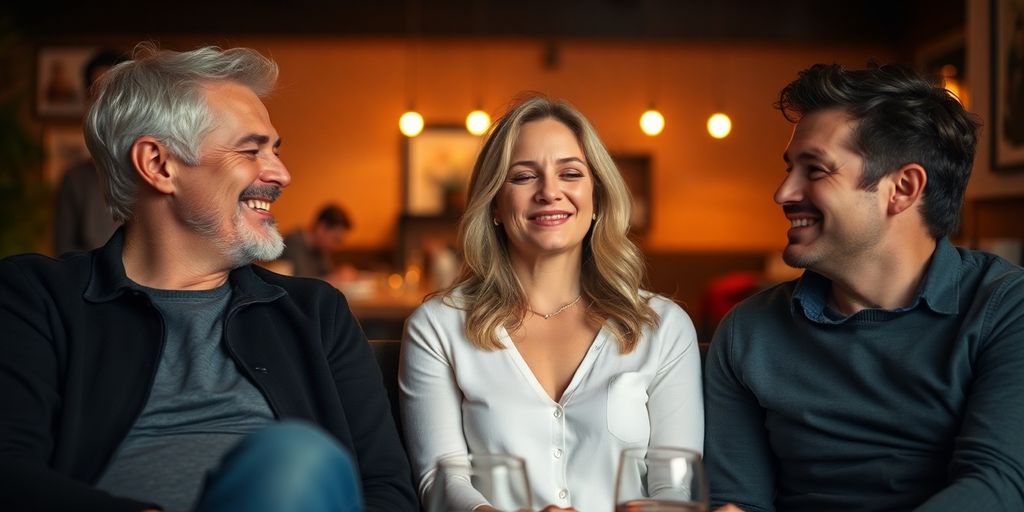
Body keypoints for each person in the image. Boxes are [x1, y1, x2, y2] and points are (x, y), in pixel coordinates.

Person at [0, 44, 417, 512]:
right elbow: (9, 474)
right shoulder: (35, 297)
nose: (282, 174)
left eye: (275, 151)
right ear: (159, 165)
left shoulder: (316, 312)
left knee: (295, 459)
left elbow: (387, 489)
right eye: (251, 150)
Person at [704, 63, 1024, 511]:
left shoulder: (1005, 308)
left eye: (814, 170)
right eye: (789, 169)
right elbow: (739, 501)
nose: (783, 193)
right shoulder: (748, 331)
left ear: (903, 188)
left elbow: (996, 489)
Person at [399, 95, 704, 512]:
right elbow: (441, 476)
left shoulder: (664, 326)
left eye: (571, 173)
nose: (550, 192)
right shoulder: (438, 327)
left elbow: (675, 484)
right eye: (524, 177)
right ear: (494, 205)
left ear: (596, 198)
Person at [52, 49, 126, 255]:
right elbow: (63, 254)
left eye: (114, 93)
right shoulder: (75, 179)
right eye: (96, 93)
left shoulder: (161, 167)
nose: (105, 104)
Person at [277, 203, 355, 279]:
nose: (337, 247)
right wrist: (335, 277)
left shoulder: (320, 247)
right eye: (336, 240)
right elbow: (301, 282)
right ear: (321, 228)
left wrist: (338, 273)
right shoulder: (293, 243)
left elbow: (327, 273)